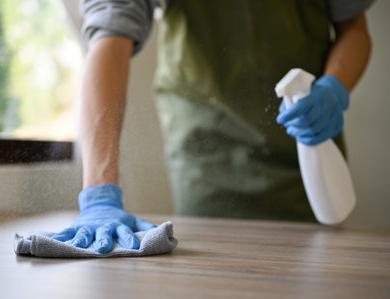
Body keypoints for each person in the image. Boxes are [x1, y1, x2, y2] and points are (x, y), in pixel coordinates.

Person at [51, 0, 373, 253]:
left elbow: (354, 29)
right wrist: (99, 194)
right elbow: (109, 34)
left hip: (307, 150)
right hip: (206, 157)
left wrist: (334, 87)